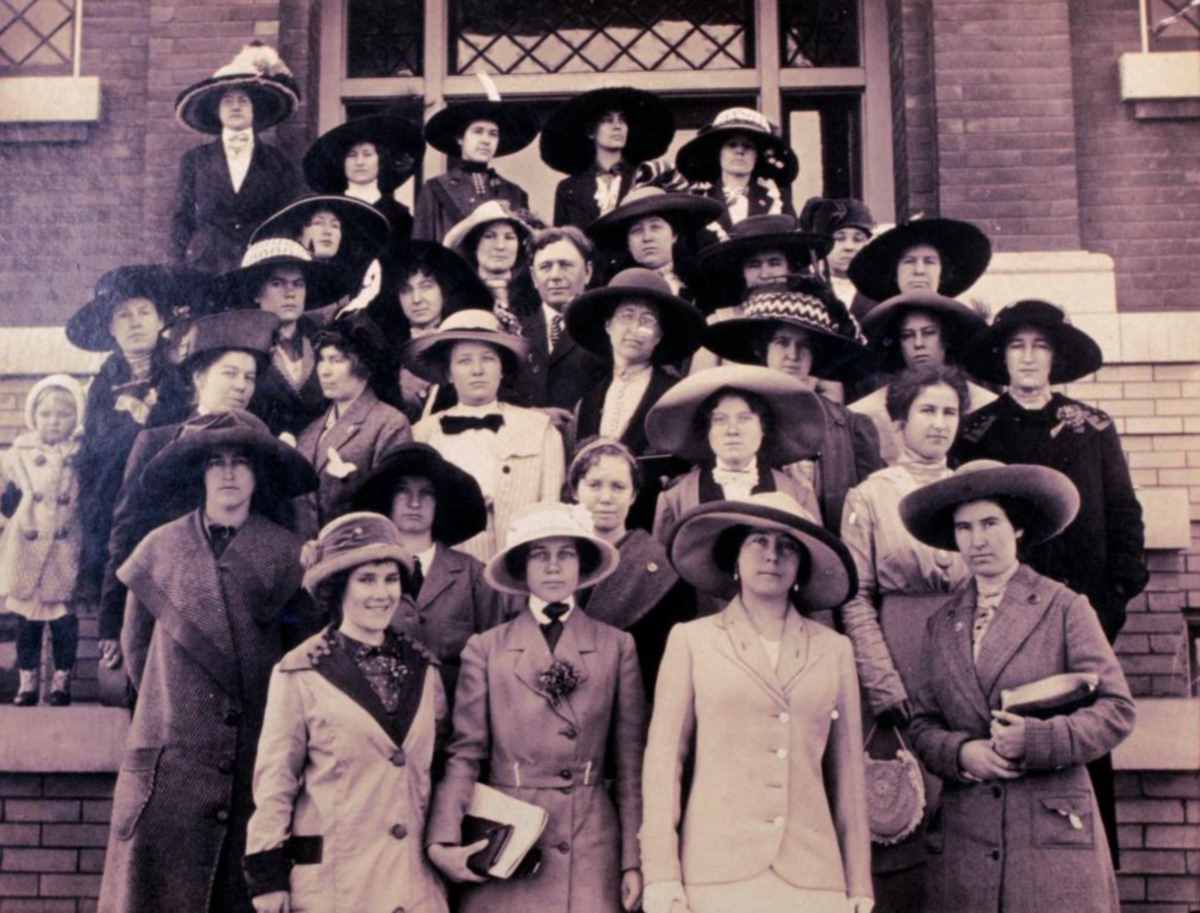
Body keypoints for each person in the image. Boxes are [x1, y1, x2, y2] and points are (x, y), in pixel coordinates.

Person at [98, 409, 319, 913]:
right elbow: (136, 652)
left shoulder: (290, 555)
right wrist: (179, 714)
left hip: (253, 766)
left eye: (241, 462)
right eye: (215, 462)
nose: (227, 474)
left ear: (258, 474)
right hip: (170, 774)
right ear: (199, 473)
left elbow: (303, 664)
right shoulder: (160, 548)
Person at [955, 299, 1149, 866]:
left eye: (1040, 346)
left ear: (1056, 357)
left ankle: (1086, 874)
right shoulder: (978, 430)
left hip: (1080, 613)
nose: (1028, 357)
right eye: (1017, 346)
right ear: (1002, 356)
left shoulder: (1093, 427)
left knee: (1080, 735)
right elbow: (965, 525)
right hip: (1003, 615)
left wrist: (1111, 600)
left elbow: (1124, 514)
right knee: (1007, 737)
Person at [899, 459, 1136, 913]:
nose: (978, 540)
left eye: (990, 523)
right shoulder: (941, 624)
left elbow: (1116, 710)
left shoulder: (1063, 607)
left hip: (1048, 833)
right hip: (967, 838)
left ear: (1018, 528)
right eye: (964, 528)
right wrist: (961, 754)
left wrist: (1037, 740)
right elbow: (923, 723)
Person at [641, 491, 872, 913]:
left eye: (787, 547)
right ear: (734, 557)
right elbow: (664, 763)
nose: (772, 556)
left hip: (813, 876)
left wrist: (859, 885)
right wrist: (661, 874)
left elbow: (848, 777)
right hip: (716, 871)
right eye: (758, 542)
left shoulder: (834, 649)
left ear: (801, 566)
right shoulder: (692, 640)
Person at [427, 501, 646, 913]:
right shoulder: (487, 649)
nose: (553, 567)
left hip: (592, 843)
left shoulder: (617, 646)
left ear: (582, 565)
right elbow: (465, 753)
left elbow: (630, 765)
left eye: (566, 554)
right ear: (521, 568)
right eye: (539, 555)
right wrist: (444, 839)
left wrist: (633, 860)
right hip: (510, 837)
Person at [243, 511, 449, 913]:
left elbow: (435, 772)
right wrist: (267, 879)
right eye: (366, 580)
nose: (381, 593)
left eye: (390, 579)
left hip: (414, 889)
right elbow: (275, 782)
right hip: (336, 889)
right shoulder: (300, 672)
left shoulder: (425, 671)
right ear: (338, 588)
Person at [839, 365, 972, 912]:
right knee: (903, 804)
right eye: (927, 411)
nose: (939, 423)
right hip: (898, 653)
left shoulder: (974, 492)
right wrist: (881, 680)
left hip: (966, 656)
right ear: (898, 422)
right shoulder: (869, 496)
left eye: (949, 412)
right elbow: (854, 595)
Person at [98, 308, 280, 674]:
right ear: (199, 377)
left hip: (241, 613)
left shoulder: (263, 447)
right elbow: (126, 533)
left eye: (249, 377)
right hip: (163, 607)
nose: (241, 386)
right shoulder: (155, 443)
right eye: (229, 373)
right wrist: (111, 620)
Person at [67, 265, 205, 605]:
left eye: (144, 312)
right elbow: (95, 451)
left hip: (165, 502)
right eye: (123, 315)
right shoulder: (103, 385)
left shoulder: (181, 378)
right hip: (113, 504)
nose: (135, 322)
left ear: (161, 321)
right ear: (111, 328)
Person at [703, 275, 884, 533]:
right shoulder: (728, 421)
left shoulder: (851, 427)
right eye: (782, 342)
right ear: (762, 349)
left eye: (805, 346)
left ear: (816, 355)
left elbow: (870, 513)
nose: (793, 355)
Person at [350, 443, 519, 702]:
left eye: (426, 493)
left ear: (440, 503)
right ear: (387, 499)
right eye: (402, 491)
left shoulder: (473, 574)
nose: (414, 502)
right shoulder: (362, 573)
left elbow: (497, 655)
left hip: (460, 712)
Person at [404, 309, 565, 561]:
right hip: (450, 569)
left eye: (488, 359)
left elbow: (551, 511)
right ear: (448, 373)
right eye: (464, 361)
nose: (477, 370)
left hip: (519, 565)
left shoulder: (540, 429)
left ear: (502, 368)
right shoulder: (421, 436)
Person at [567, 438, 695, 695]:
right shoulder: (552, 562)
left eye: (618, 486)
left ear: (633, 495)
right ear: (575, 491)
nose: (606, 498)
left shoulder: (663, 569)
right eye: (594, 485)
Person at [646, 364, 824, 545]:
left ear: (763, 428)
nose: (732, 430)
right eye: (720, 420)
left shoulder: (798, 496)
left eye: (744, 418)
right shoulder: (674, 500)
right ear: (707, 431)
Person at [171, 42, 302, 274]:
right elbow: (181, 219)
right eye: (228, 101)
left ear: (254, 110)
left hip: (259, 265)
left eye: (243, 101)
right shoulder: (195, 160)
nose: (236, 107)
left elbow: (288, 219)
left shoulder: (278, 161)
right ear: (217, 111)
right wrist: (181, 269)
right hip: (207, 266)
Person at [2, 375, 86, 706]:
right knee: (27, 623)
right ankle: (27, 683)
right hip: (28, 547)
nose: (54, 421)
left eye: (63, 415)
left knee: (64, 621)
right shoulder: (19, 453)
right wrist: (7, 520)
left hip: (64, 549)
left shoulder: (81, 454)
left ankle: (61, 682)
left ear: (76, 418)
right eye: (46, 414)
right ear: (33, 416)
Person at [294, 312, 412, 538]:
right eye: (322, 359)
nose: (324, 370)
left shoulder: (389, 424)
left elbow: (390, 506)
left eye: (337, 360)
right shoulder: (309, 433)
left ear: (363, 366)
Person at [220, 238, 353, 436]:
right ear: (256, 293)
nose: (290, 293)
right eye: (277, 283)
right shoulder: (237, 346)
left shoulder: (324, 340)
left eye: (298, 284)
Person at [850, 291, 996, 464]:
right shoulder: (867, 412)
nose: (918, 343)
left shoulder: (987, 404)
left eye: (928, 333)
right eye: (907, 335)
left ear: (946, 339)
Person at [688, 213, 831, 373]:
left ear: (789, 268)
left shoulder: (810, 318)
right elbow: (697, 382)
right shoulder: (720, 323)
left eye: (774, 263)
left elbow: (829, 384)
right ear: (743, 272)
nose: (764, 274)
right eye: (754, 265)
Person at [373, 240, 494, 420]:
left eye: (426, 286)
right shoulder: (385, 352)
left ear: (444, 290)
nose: (416, 299)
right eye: (406, 290)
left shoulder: (463, 341)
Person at [412, 88, 538, 243]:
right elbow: (421, 247)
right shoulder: (435, 188)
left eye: (493, 134)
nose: (486, 140)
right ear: (460, 139)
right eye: (478, 131)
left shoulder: (515, 193)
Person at [540, 87, 675, 229]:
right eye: (607, 120)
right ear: (591, 132)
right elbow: (564, 238)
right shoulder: (569, 188)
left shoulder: (647, 176)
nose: (617, 127)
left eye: (622, 120)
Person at [509, 226, 608, 419]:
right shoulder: (513, 329)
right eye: (545, 267)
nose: (555, 276)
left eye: (565, 265)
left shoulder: (605, 329)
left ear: (588, 272)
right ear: (533, 277)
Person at [675, 107, 799, 246]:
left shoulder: (777, 198)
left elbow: (793, 245)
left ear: (757, 156)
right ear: (719, 153)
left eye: (748, 146)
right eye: (732, 145)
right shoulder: (699, 199)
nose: (740, 151)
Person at [249, 193, 392, 311]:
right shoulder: (281, 276)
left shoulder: (352, 283)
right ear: (299, 234)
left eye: (335, 226)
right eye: (318, 223)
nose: (327, 231)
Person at [301, 111, 426, 240]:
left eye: (367, 154)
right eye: (352, 155)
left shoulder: (400, 216)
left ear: (380, 160)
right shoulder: (328, 209)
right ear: (342, 162)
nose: (359, 162)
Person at [586, 186, 723, 298]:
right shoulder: (616, 290)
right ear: (628, 244)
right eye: (636, 231)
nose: (647, 237)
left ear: (674, 235)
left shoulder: (703, 282)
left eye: (655, 227)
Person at [846, 216, 992, 316]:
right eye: (909, 261)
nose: (919, 271)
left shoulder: (963, 324)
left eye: (929, 262)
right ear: (895, 274)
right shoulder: (874, 325)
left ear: (942, 273)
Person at [443, 199, 538, 333]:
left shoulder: (534, 297)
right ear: (474, 245)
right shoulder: (457, 298)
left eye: (509, 237)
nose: (500, 246)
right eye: (489, 236)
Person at [798, 196, 877, 320]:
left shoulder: (877, 291)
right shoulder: (802, 288)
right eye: (839, 238)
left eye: (858, 239)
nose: (849, 247)